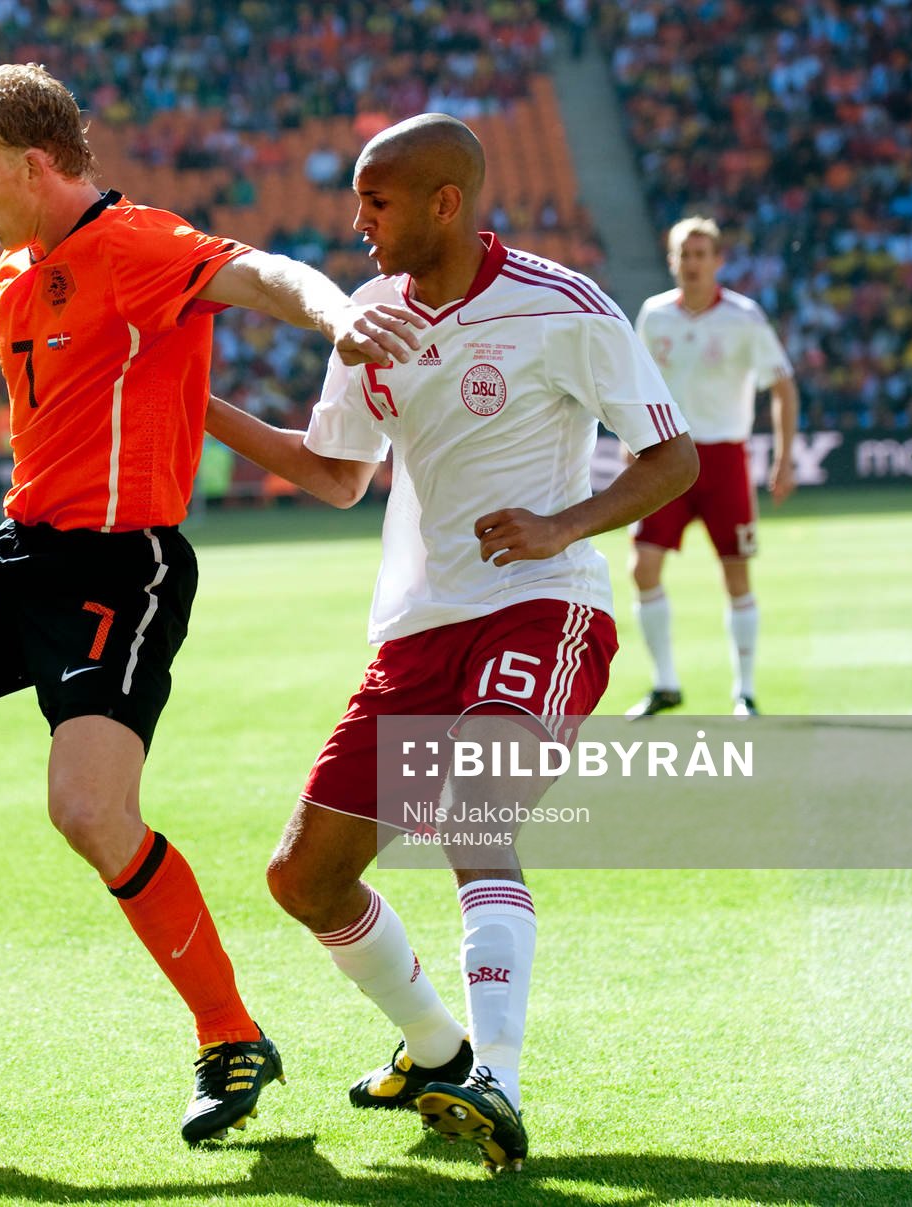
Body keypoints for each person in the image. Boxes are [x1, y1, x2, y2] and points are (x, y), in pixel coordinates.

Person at [0, 63, 422, 1146]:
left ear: (37, 163)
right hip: (19, 552)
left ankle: (230, 1035)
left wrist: (339, 316)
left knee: (89, 814)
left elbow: (267, 274)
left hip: (122, 571)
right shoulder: (18, 264)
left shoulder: (139, 242)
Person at [204, 113, 696, 1174]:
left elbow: (672, 458)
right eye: (356, 200)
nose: (357, 221)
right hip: (420, 629)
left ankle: (499, 1085)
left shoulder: (564, 307)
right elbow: (336, 473)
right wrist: (191, 403)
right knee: (306, 878)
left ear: (445, 202)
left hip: (545, 606)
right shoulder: (372, 316)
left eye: (376, 202)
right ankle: (437, 1047)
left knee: (475, 813)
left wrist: (562, 526)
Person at [628, 217, 800, 717]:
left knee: (736, 575)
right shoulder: (654, 314)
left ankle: (744, 691)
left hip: (724, 458)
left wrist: (784, 458)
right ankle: (665, 684)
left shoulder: (744, 317)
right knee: (643, 567)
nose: (694, 263)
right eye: (685, 254)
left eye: (703, 254)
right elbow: (635, 383)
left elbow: (783, 384)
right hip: (666, 455)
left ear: (717, 261)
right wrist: (629, 437)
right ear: (673, 261)